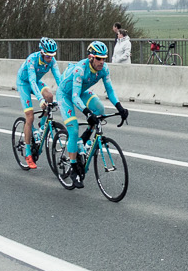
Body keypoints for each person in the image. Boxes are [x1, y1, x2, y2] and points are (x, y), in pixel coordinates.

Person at [55, 41, 128, 177]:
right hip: (65, 95)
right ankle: (73, 168)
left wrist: (120, 107)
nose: (102, 62)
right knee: (73, 129)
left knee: (100, 110)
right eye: (99, 58)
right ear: (91, 57)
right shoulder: (80, 69)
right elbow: (74, 97)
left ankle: (85, 137)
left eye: (104, 58)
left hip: (81, 92)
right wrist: (87, 113)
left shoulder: (104, 69)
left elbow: (110, 90)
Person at [14, 38, 64, 167]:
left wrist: (65, 96)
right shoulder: (32, 59)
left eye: (52, 55)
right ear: (41, 53)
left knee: (50, 96)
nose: (50, 58)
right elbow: (31, 81)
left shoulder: (52, 61)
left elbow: (59, 79)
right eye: (48, 56)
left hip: (36, 81)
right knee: (30, 116)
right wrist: (40, 99)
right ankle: (28, 153)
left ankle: (42, 125)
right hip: (24, 83)